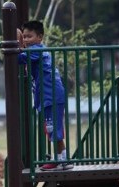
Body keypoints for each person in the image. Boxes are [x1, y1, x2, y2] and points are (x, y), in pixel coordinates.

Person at [17, 21, 74, 171]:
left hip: (51, 95)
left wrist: (13, 47)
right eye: (24, 37)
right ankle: (60, 158)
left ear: (40, 37)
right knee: (51, 128)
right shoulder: (35, 50)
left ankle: (63, 160)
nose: (26, 40)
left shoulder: (36, 50)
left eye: (30, 36)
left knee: (53, 127)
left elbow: (19, 59)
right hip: (48, 95)